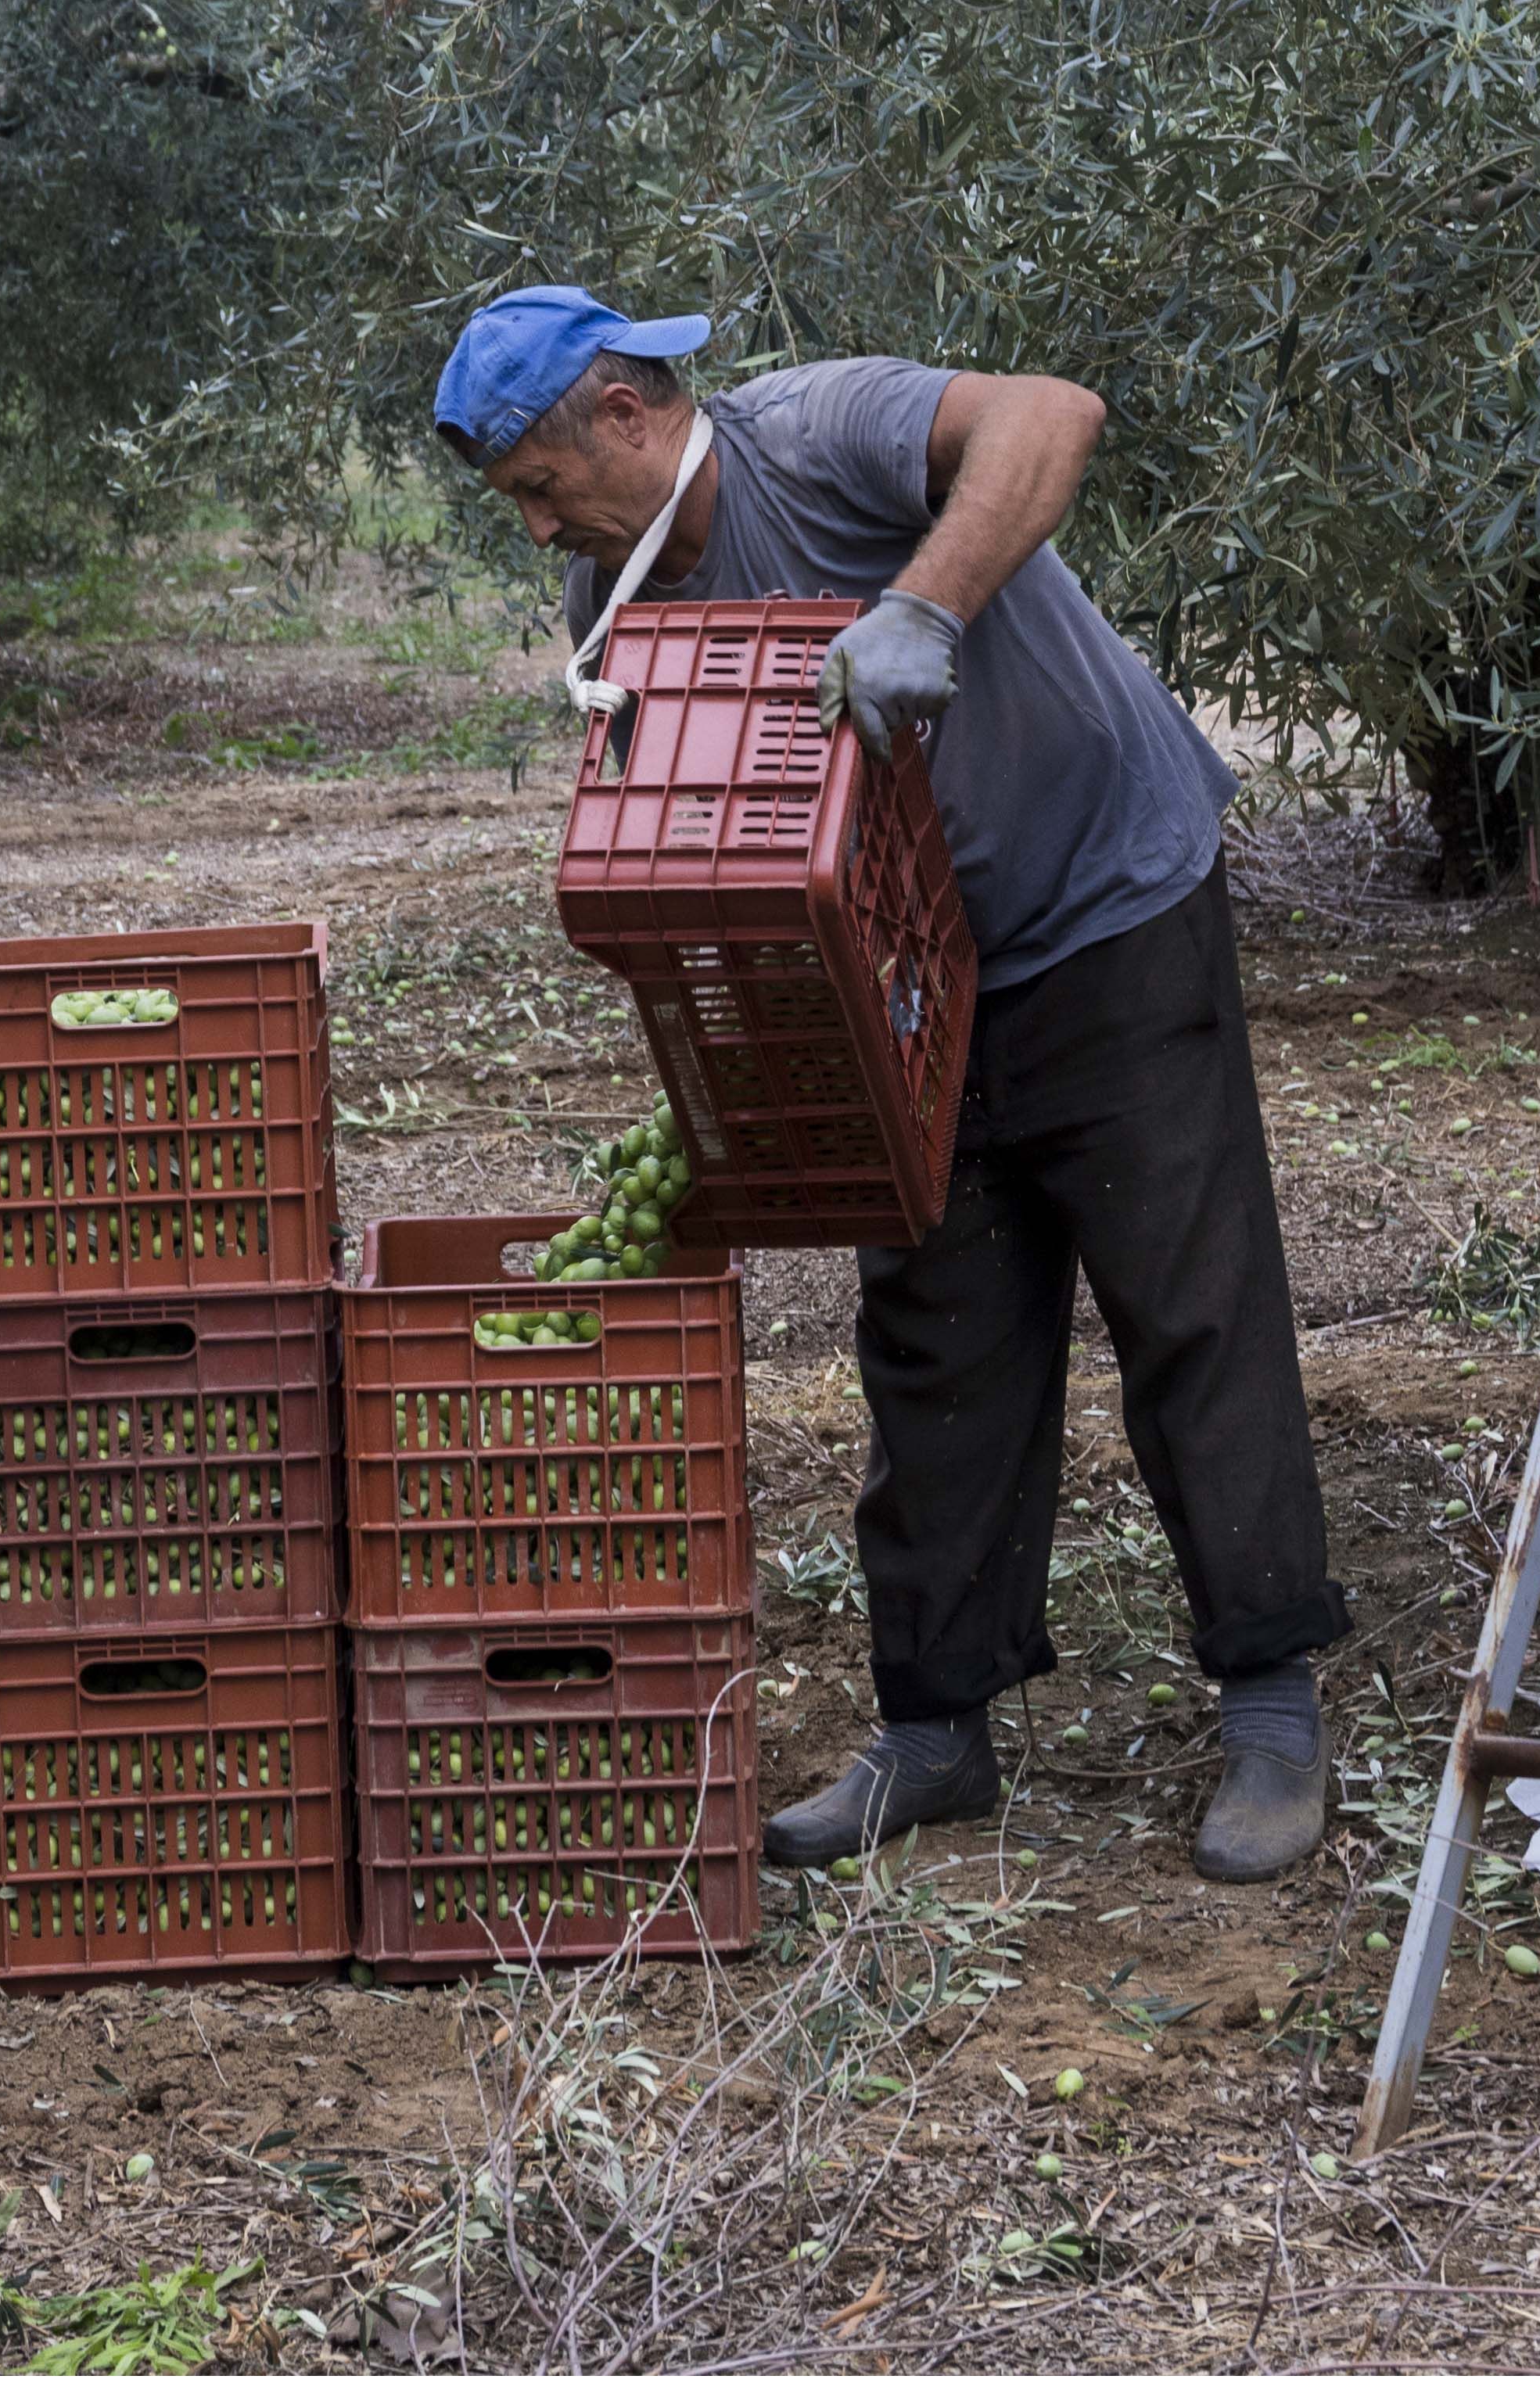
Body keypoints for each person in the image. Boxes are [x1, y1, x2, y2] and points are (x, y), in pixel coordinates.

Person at [433, 284, 1351, 1882]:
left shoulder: (817, 431)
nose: (533, 530)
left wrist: (922, 605)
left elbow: (1051, 410)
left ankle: (1272, 1706)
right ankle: (935, 1730)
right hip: (914, 977)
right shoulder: (610, 593)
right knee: (932, 1328)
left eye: (537, 484)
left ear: (629, 416)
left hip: (1104, 901)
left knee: (1187, 1298)